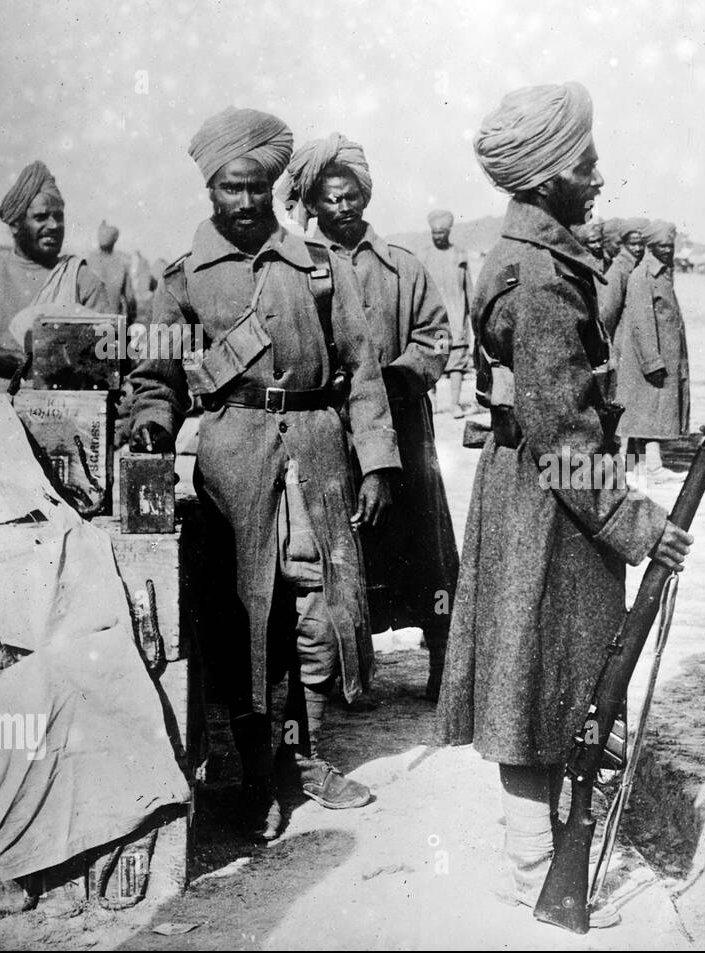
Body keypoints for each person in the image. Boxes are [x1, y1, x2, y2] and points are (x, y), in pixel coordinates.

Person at [438, 82, 693, 925]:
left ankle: (545, 858)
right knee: (532, 679)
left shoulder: (534, 258)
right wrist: (636, 526)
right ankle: (535, 871)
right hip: (552, 507)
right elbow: (565, 438)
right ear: (548, 175)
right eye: (585, 164)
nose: (597, 177)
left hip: (542, 499)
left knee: (548, 675)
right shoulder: (542, 277)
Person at [129, 107, 401, 840]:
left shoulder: (320, 266)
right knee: (248, 615)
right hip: (234, 455)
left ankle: (304, 758)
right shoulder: (182, 280)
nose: (244, 202)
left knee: (319, 609)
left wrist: (375, 462)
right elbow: (155, 375)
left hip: (317, 451)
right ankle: (253, 772)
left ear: (274, 184)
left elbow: (363, 371)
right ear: (210, 190)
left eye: (255, 187)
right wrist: (153, 422)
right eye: (229, 188)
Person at [281, 132, 459, 703]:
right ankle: (342, 676)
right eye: (331, 198)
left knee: (425, 551)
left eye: (352, 195)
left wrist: (398, 379)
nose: (344, 206)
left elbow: (435, 339)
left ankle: (442, 660)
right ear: (312, 204)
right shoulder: (294, 270)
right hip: (332, 434)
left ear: (366, 196)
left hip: (404, 430)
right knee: (342, 550)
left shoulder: (404, 267)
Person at [0, 160, 107, 390]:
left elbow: (106, 350)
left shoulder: (82, 278)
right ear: (14, 223)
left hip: (71, 409)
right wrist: (31, 364)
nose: (53, 225)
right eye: (41, 217)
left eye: (58, 216)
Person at [615, 219, 690, 486]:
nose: (668, 251)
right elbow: (640, 323)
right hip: (649, 360)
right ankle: (651, 467)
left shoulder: (662, 274)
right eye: (661, 246)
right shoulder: (642, 276)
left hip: (662, 357)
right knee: (649, 412)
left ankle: (636, 468)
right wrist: (652, 361)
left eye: (670, 246)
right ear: (650, 245)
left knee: (645, 413)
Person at [418, 209, 474, 417]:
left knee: (457, 361)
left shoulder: (459, 254)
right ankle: (432, 402)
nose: (438, 236)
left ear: (449, 231)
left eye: (442, 232)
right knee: (434, 358)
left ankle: (454, 404)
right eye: (435, 232)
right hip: (435, 320)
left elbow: (469, 288)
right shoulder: (424, 256)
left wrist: (472, 313)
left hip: (457, 317)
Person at [86, 220, 137, 323]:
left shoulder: (89, 260)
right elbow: (130, 298)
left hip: (92, 322)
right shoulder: (121, 263)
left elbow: (130, 298)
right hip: (112, 322)